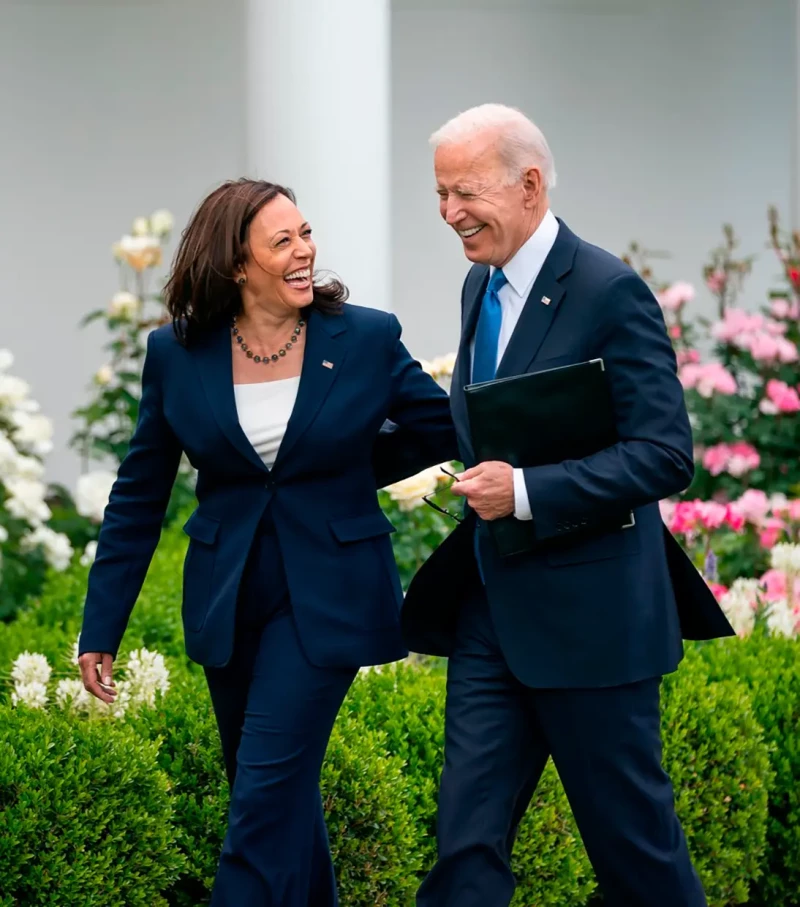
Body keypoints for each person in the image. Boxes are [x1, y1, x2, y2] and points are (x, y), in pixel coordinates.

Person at [77, 178, 457, 907]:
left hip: (330, 596)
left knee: (260, 800)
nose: (305, 250)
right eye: (282, 241)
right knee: (274, 795)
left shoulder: (366, 336)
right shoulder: (176, 353)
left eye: (306, 233)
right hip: (230, 597)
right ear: (235, 264)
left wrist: (347, 473)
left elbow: (439, 426)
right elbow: (138, 493)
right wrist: (103, 625)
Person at [401, 104, 735, 907]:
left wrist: (523, 490)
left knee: (639, 864)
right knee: (464, 849)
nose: (449, 213)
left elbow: (664, 453)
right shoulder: (477, 283)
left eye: (465, 192)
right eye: (439, 193)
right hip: (492, 614)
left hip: (596, 623)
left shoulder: (609, 290)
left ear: (530, 183)